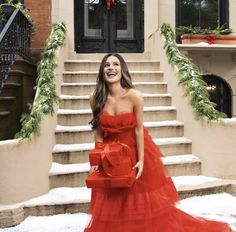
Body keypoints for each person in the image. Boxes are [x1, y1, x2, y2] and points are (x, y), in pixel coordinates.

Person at [84, 53, 233, 232]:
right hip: (109, 157)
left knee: (138, 201)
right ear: (102, 71)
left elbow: (139, 129)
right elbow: (98, 133)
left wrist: (141, 161)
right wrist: (96, 161)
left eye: (115, 64)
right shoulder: (95, 98)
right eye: (106, 65)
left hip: (134, 153)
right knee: (113, 201)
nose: (111, 68)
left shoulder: (135, 96)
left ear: (122, 70)